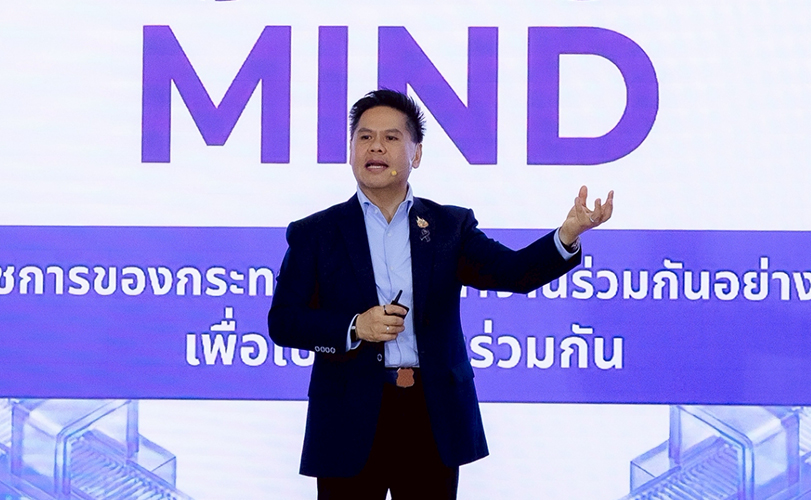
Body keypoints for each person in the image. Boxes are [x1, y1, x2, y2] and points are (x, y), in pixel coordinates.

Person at [267, 89, 613, 500]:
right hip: (347, 418)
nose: (376, 147)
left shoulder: (450, 227)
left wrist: (567, 235)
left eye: (391, 137)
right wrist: (356, 326)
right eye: (365, 137)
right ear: (351, 150)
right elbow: (284, 321)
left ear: (416, 154)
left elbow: (514, 272)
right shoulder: (315, 233)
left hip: (430, 415)